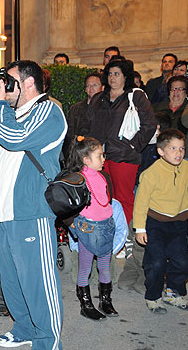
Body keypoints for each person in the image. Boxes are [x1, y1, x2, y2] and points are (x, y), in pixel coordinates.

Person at [0, 60, 65, 349]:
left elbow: (15, 138)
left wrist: (0, 105)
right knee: (12, 282)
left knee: (38, 284)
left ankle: (48, 341)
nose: (4, 86)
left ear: (28, 83)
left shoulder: (48, 111)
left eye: (9, 80)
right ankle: (24, 328)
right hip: (4, 214)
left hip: (31, 213)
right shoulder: (9, 113)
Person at [81, 58, 157, 226]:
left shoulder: (135, 96)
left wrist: (133, 145)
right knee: (101, 198)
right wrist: (87, 147)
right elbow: (87, 124)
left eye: (117, 74)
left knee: (124, 198)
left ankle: (126, 241)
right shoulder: (98, 98)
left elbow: (150, 124)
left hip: (124, 156)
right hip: (97, 157)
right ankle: (107, 236)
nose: (112, 78)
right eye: (109, 74)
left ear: (125, 77)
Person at [134, 129, 188, 313]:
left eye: (181, 148)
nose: (178, 153)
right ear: (160, 151)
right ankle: (153, 296)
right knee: (156, 262)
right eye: (173, 148)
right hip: (155, 223)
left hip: (179, 224)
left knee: (182, 261)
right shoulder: (152, 173)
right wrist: (140, 228)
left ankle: (173, 292)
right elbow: (141, 202)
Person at [66, 137, 118, 320]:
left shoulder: (104, 176)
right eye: (99, 156)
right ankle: (85, 303)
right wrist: (73, 223)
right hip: (88, 228)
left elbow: (107, 199)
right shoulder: (79, 178)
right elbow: (69, 205)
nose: (103, 159)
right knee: (85, 268)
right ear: (86, 160)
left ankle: (106, 300)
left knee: (105, 267)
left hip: (105, 226)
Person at [65, 72, 104, 156]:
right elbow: (70, 134)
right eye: (88, 86)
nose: (91, 88)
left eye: (95, 85)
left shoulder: (106, 109)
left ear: (103, 88)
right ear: (85, 89)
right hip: (78, 152)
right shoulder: (75, 108)